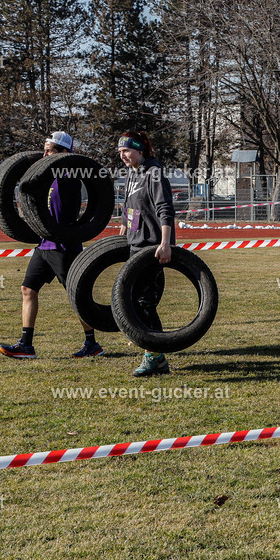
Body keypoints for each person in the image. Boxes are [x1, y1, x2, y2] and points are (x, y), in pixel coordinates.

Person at [0, 131, 103, 359]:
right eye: (44, 149)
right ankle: (26, 345)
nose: (44, 154)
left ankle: (92, 343)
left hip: (64, 246)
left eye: (50, 150)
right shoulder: (46, 177)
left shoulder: (70, 174)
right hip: (44, 245)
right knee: (28, 289)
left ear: (64, 153)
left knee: (76, 297)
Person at [117, 131, 176, 377]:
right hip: (134, 244)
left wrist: (165, 243)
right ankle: (155, 356)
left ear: (140, 150)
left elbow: (165, 208)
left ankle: (155, 357)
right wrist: (122, 235)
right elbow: (129, 208)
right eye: (120, 153)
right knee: (136, 301)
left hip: (151, 248)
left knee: (145, 303)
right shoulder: (132, 173)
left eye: (127, 151)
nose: (123, 156)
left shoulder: (154, 173)